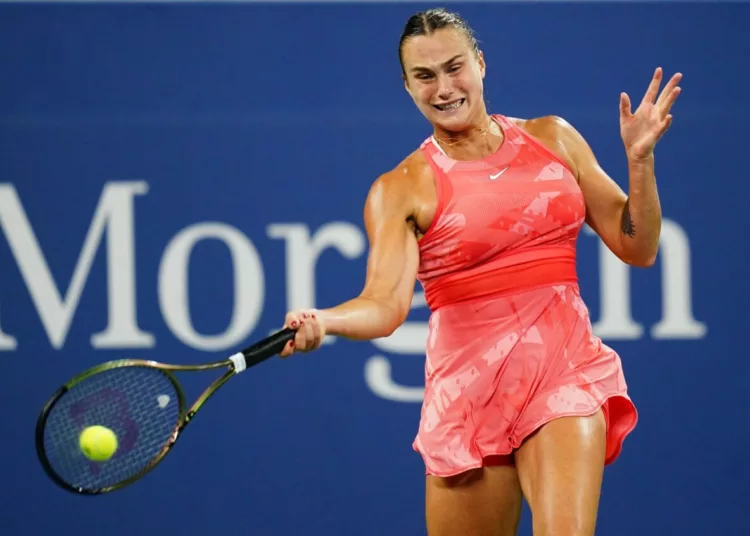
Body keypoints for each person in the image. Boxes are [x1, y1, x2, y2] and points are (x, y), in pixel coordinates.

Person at [278, 7, 680, 536]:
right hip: (466, 400)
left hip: (564, 370)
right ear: (407, 86)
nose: (444, 88)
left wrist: (640, 162)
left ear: (481, 64)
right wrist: (325, 321)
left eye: (454, 67)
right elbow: (385, 303)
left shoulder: (554, 139)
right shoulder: (400, 188)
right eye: (425, 76)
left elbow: (639, 245)